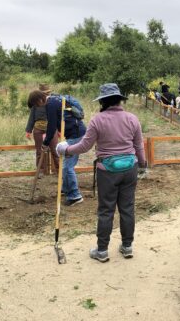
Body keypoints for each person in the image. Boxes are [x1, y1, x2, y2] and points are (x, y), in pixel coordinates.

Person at [56, 83, 146, 262]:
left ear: (103, 101)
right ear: (120, 100)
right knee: (127, 209)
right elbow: (138, 145)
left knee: (106, 210)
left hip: (108, 171)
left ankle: (102, 251)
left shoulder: (98, 120)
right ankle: (127, 247)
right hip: (130, 168)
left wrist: (66, 149)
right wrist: (143, 164)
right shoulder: (132, 118)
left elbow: (85, 146)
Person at [27, 90, 86, 206]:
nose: (38, 107)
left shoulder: (51, 105)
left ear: (39, 100)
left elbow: (51, 126)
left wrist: (46, 142)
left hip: (76, 135)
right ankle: (66, 188)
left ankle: (75, 196)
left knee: (67, 167)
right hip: (74, 132)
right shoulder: (55, 100)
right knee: (65, 165)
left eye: (36, 105)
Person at [25, 84, 59, 173]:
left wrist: (59, 129)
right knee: (39, 151)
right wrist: (28, 130)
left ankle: (58, 170)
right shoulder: (35, 104)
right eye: (43, 93)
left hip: (52, 128)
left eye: (46, 93)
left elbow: (58, 117)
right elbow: (31, 117)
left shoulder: (53, 102)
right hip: (38, 129)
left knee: (55, 150)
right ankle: (40, 170)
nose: (45, 95)